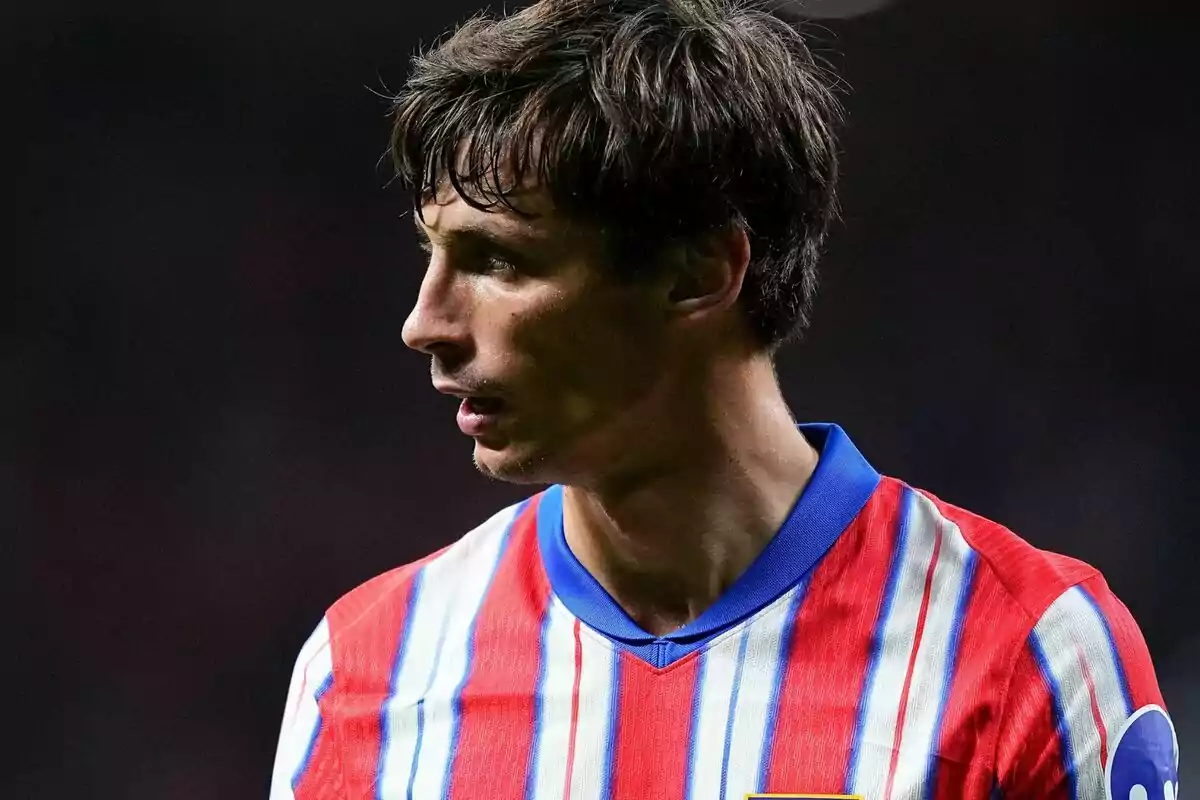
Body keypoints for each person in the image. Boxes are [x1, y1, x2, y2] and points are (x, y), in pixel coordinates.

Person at [269, 0, 1179, 797]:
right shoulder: (363, 672)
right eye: (431, 253)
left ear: (700, 271)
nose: (423, 323)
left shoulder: (1027, 651)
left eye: (500, 260)